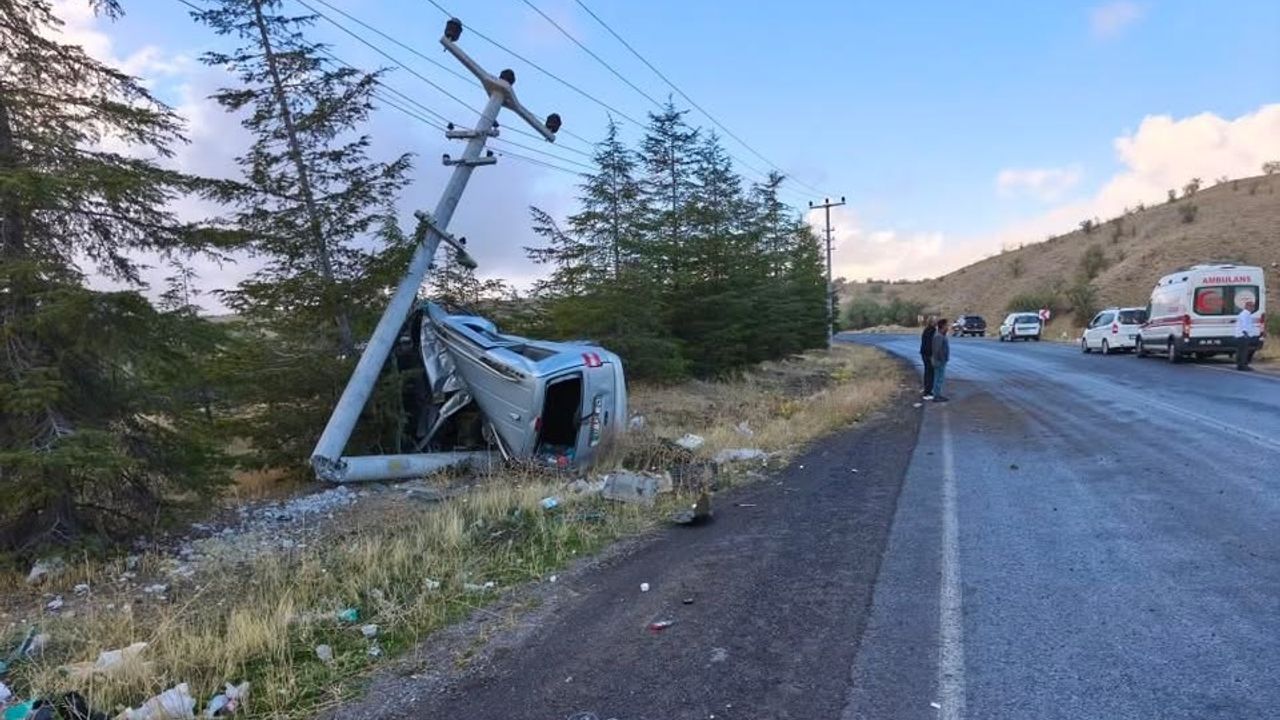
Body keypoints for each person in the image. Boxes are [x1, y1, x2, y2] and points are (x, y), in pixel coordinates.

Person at [1234, 298, 1260, 371]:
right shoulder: (1245, 314)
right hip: (1243, 335)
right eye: (1251, 306)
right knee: (1244, 352)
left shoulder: (1244, 314)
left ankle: (1240, 365)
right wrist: (1245, 333)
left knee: (1240, 351)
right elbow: (1244, 324)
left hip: (1241, 335)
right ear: (1247, 307)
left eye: (1253, 306)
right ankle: (1243, 366)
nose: (1253, 308)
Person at [931, 318, 951, 402]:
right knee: (938, 378)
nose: (948, 327)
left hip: (940, 360)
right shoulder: (939, 336)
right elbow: (937, 350)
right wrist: (941, 360)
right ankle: (936, 395)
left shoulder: (941, 336)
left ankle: (937, 394)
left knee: (939, 378)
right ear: (942, 326)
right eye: (946, 325)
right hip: (939, 361)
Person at [919, 317, 937, 398]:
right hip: (928, 354)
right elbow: (930, 344)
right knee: (930, 373)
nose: (936, 322)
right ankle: (927, 392)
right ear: (931, 322)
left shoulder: (926, 330)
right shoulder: (931, 330)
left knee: (928, 372)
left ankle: (927, 390)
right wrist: (932, 356)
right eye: (935, 321)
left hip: (924, 353)